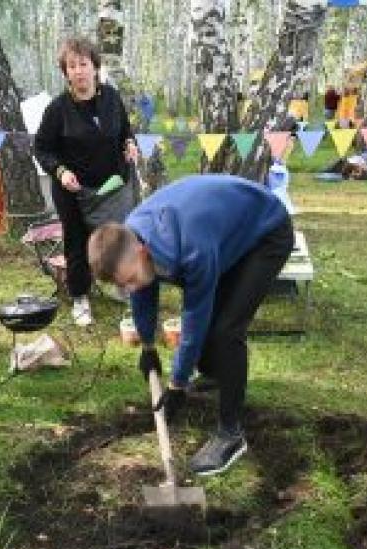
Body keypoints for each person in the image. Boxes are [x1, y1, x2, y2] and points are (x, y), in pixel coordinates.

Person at [87, 175, 294, 476]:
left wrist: (177, 383)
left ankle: (230, 434)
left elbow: (195, 316)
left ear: (143, 252)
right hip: (224, 230)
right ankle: (216, 373)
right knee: (212, 325)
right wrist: (147, 346)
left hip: (265, 232)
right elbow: (143, 290)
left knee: (226, 331)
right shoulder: (130, 236)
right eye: (123, 284)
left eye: (129, 279)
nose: (130, 287)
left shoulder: (190, 248)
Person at [34, 37, 139, 326]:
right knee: (77, 241)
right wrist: (60, 172)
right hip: (73, 189)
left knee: (117, 237)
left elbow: (124, 131)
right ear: (65, 72)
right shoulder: (58, 109)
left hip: (111, 185)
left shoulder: (112, 98)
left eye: (84, 64)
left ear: (95, 67)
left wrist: (129, 144)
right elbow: (42, 148)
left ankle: (121, 286)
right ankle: (80, 296)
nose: (79, 71)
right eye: (72, 66)